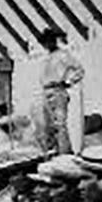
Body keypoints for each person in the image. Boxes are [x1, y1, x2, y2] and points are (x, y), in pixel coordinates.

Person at [37, 27, 85, 155]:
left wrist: (68, 82)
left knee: (60, 123)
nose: (47, 44)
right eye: (45, 42)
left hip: (58, 89)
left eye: (49, 41)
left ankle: (65, 153)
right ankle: (53, 152)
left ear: (54, 41)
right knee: (47, 124)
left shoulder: (63, 55)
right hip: (46, 90)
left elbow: (79, 70)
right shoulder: (45, 58)